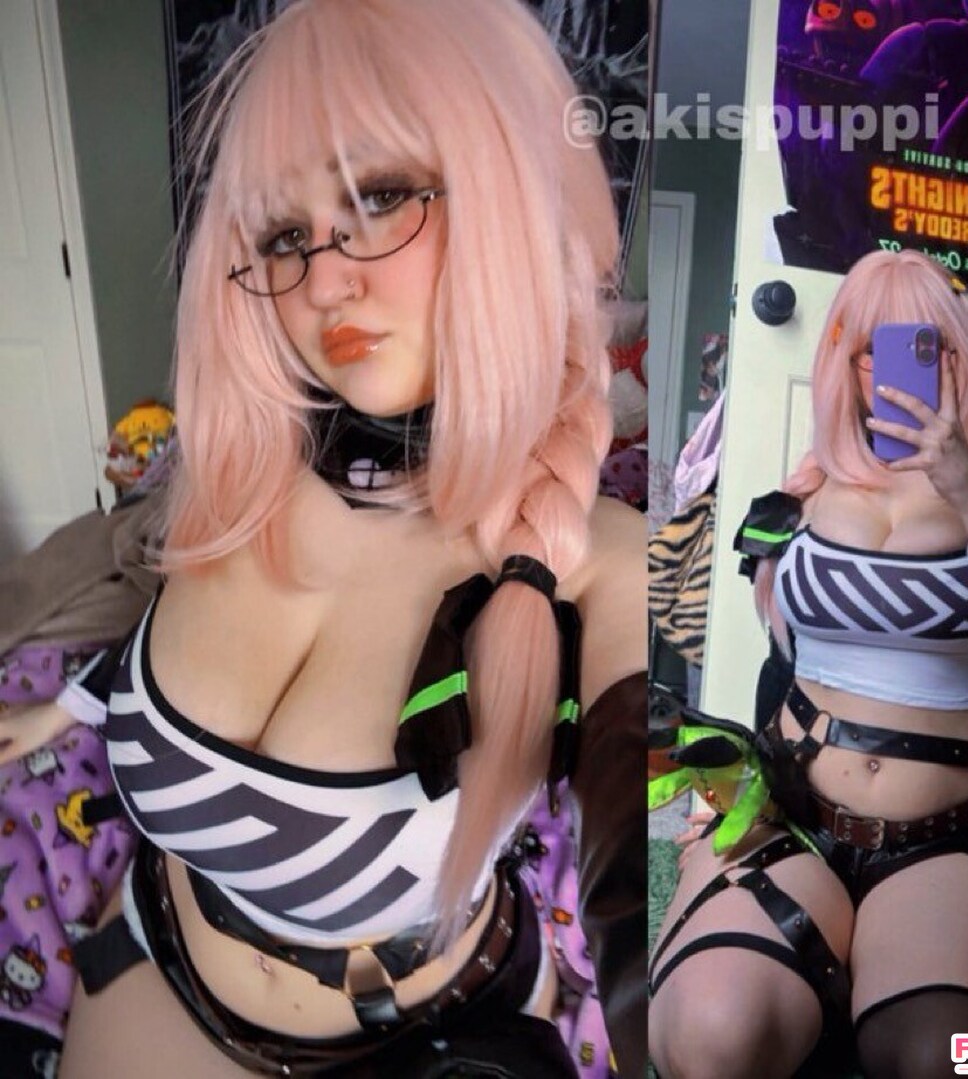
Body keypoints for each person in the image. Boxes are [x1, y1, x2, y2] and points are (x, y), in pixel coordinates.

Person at [12, 1, 648, 1075]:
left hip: (408, 1031)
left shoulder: (605, 564)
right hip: (154, 953)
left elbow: (669, 868)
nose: (321, 283)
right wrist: (69, 705)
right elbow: (166, 637)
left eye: (382, 195)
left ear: (514, 189)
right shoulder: (245, 471)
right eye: (282, 236)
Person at [648, 248, 968, 1079]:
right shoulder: (803, 490)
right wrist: (730, 793)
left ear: (961, 355)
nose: (892, 370)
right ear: (844, 364)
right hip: (792, 821)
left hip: (946, 838)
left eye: (924, 344)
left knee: (950, 1058)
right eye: (869, 349)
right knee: (712, 1032)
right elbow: (781, 666)